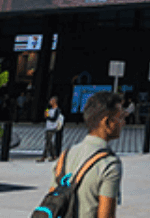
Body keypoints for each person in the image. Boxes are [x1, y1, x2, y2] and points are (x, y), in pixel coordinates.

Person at [59, 90, 124, 218]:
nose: (123, 123)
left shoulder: (66, 155)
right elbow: (106, 215)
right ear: (107, 122)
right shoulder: (109, 164)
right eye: (120, 117)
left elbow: (54, 199)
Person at [39, 96, 64, 162]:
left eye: (51, 101)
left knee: (48, 141)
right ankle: (52, 156)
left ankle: (45, 156)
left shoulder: (57, 110)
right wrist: (46, 114)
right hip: (48, 126)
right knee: (48, 141)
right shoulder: (49, 109)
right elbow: (45, 114)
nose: (50, 102)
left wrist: (48, 117)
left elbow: (54, 118)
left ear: (54, 102)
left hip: (53, 127)